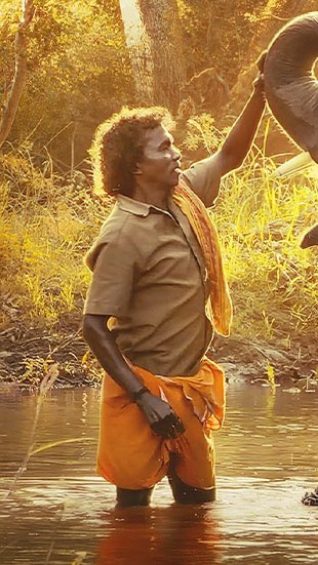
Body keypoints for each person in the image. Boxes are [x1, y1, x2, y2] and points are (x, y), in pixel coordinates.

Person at [81, 78, 266, 507]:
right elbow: (93, 326)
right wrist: (144, 398)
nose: (176, 153)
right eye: (163, 148)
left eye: (172, 143)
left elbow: (229, 156)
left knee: (198, 511)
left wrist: (259, 95)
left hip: (187, 389)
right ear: (136, 167)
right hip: (140, 394)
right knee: (131, 519)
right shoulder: (123, 234)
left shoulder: (182, 197)